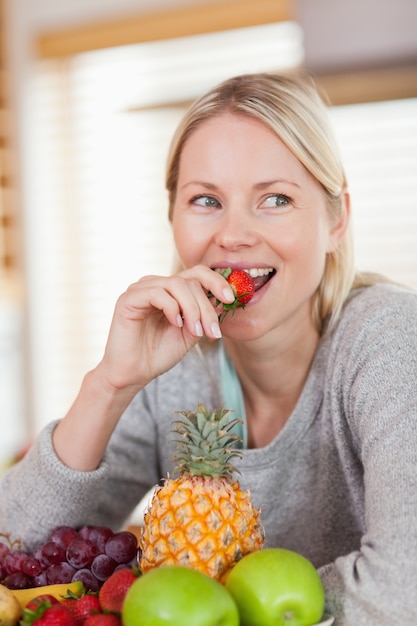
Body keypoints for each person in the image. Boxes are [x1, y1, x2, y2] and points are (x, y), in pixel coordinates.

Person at [1, 71, 416, 625]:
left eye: (275, 198)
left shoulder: (391, 341)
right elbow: (19, 557)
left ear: (336, 219)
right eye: (205, 200)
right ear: (173, 215)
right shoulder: (173, 369)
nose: (234, 235)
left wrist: (213, 609)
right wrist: (110, 384)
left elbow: (402, 591)